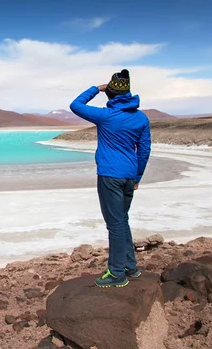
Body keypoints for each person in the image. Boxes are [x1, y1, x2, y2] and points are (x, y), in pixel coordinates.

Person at [69, 69, 151, 288]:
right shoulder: (141, 118)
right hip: (128, 176)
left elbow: (75, 105)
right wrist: (137, 176)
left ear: (110, 92)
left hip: (109, 176)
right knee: (122, 221)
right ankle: (130, 268)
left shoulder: (106, 116)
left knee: (114, 225)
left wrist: (97, 88)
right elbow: (144, 151)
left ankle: (116, 273)